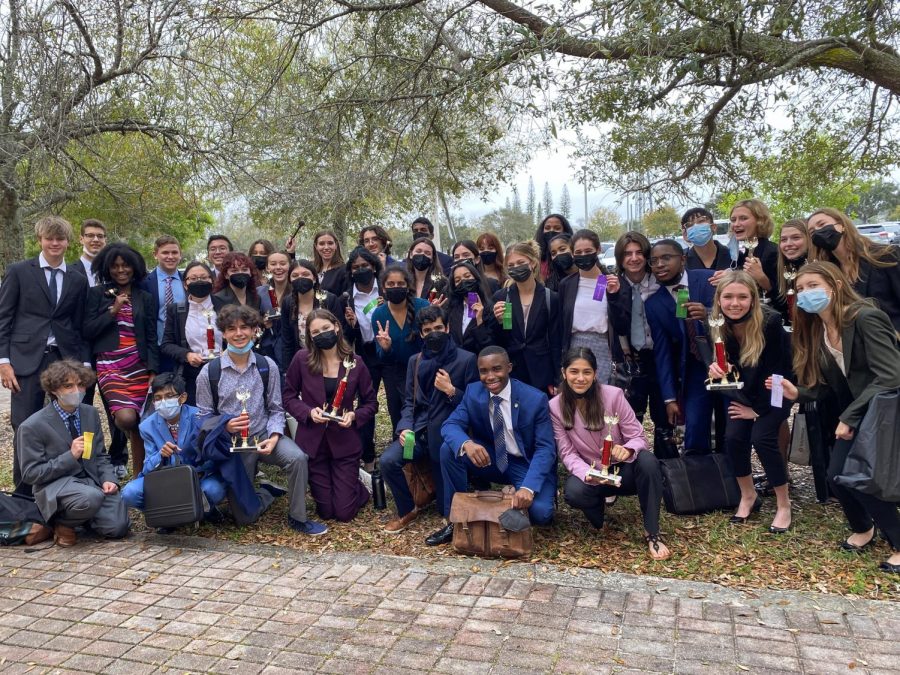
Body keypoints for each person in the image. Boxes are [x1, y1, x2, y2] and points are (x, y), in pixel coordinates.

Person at [766, 261, 900, 573]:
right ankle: (864, 528)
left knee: (863, 480)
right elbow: (829, 386)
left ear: (836, 285)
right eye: (800, 289)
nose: (805, 293)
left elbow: (891, 375)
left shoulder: (866, 317)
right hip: (858, 413)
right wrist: (798, 393)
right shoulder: (817, 328)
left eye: (813, 285)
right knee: (836, 476)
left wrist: (851, 417)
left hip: (884, 412)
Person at [196, 304, 327, 535]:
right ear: (223, 333)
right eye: (231, 328)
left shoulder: (267, 366)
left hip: (264, 434)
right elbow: (203, 416)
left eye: (244, 327)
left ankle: (298, 517)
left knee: (297, 458)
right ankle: (266, 493)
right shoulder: (210, 372)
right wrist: (224, 424)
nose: (239, 333)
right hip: (233, 446)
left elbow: (277, 408)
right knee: (244, 518)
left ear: (255, 330)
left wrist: (276, 436)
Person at [428, 346, 557, 545]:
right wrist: (467, 443)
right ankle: (456, 518)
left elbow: (545, 449)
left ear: (509, 368)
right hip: (495, 459)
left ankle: (516, 492)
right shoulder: (473, 392)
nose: (490, 376)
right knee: (449, 449)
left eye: (497, 369)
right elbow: (450, 425)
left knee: (541, 514)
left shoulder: (534, 399)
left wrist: (528, 488)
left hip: (525, 463)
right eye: (484, 371)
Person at [550, 348, 670, 560]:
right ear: (564, 373)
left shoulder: (613, 395)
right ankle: (599, 517)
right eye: (574, 371)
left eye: (586, 372)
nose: (580, 378)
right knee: (573, 491)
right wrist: (586, 472)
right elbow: (566, 452)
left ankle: (652, 532)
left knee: (649, 462)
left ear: (595, 373)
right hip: (593, 472)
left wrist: (627, 449)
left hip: (624, 469)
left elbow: (639, 436)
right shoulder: (555, 407)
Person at [0, 216, 90, 488]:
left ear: (67, 242)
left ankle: (75, 483)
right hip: (25, 361)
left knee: (72, 424)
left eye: (60, 238)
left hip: (64, 361)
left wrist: (83, 366)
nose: (55, 243)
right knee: (24, 424)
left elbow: (80, 325)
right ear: (40, 240)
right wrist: (4, 361)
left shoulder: (77, 278)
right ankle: (25, 492)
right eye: (49, 238)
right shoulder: (19, 271)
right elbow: (4, 317)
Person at [380, 306, 478, 532]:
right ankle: (408, 509)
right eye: (428, 330)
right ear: (421, 334)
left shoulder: (466, 360)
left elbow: (474, 406)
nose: (434, 333)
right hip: (419, 433)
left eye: (438, 328)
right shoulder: (416, 361)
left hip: (447, 436)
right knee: (388, 461)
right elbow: (408, 402)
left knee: (446, 507)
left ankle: (447, 507)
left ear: (447, 328)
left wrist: (451, 390)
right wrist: (404, 427)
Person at [707, 271, 792, 532]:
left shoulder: (771, 323)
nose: (735, 303)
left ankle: (783, 504)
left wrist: (757, 410)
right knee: (732, 438)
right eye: (728, 296)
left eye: (742, 297)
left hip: (776, 392)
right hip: (745, 395)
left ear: (753, 299)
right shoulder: (717, 324)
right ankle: (748, 495)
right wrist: (716, 370)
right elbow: (727, 370)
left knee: (763, 437)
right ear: (719, 299)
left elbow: (780, 373)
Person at [15, 360, 129, 546]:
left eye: (81, 385)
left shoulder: (90, 413)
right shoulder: (32, 426)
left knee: (118, 527)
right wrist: (70, 456)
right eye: (68, 386)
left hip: (90, 482)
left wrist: (109, 478)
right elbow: (30, 474)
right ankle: (62, 523)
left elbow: (99, 455)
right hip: (55, 485)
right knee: (91, 498)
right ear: (53, 389)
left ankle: (82, 519)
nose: (76, 391)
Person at [283, 309, 376, 521]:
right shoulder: (301, 359)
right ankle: (345, 485)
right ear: (310, 336)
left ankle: (359, 487)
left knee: (344, 514)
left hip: (344, 443)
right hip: (314, 444)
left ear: (336, 326)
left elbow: (370, 403)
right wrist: (307, 412)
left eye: (325, 328)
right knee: (326, 512)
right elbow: (288, 396)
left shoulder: (356, 363)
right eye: (315, 332)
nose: (321, 334)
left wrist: (354, 416)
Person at [83, 243, 158, 475]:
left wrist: (153, 370)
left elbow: (152, 336)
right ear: (107, 268)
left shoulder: (144, 296)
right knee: (127, 418)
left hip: (139, 366)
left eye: (125, 265)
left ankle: (141, 474)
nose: (121, 270)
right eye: (115, 266)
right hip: (110, 367)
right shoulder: (97, 294)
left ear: (134, 267)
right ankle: (126, 462)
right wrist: (113, 310)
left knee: (141, 421)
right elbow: (87, 330)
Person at [121, 373, 227, 524]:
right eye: (158, 398)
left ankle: (205, 511)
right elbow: (147, 468)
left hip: (198, 477)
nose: (163, 401)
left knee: (212, 490)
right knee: (129, 493)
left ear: (182, 398)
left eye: (169, 396)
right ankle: (164, 515)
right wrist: (160, 455)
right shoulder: (147, 426)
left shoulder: (199, 417)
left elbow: (212, 458)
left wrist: (195, 465)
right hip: (166, 480)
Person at [644, 239, 716, 453]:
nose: (659, 265)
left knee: (731, 429)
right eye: (654, 261)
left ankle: (733, 480)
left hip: (728, 363)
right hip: (694, 370)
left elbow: (740, 309)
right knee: (694, 428)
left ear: (683, 259)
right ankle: (700, 479)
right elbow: (662, 352)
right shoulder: (654, 304)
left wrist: (709, 314)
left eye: (666, 258)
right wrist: (669, 397)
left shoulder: (709, 279)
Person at [605, 231, 673, 453]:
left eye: (638, 253)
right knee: (630, 416)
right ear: (619, 258)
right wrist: (613, 297)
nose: (633, 258)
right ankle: (633, 463)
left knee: (664, 415)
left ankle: (666, 467)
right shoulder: (612, 284)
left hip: (659, 356)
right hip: (627, 358)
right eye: (627, 254)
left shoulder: (660, 281)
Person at [807, 207, 900, 332]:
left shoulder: (886, 255)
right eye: (812, 232)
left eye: (822, 224)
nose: (818, 231)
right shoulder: (829, 270)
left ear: (842, 226)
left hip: (891, 340)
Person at [489, 242, 560, 395]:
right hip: (512, 370)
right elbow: (498, 340)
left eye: (521, 263)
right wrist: (499, 321)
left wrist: (557, 378)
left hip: (541, 372)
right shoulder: (502, 297)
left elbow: (555, 341)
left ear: (533, 263)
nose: (516, 268)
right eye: (511, 265)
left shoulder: (550, 298)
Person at [371, 266, 430, 432]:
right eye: (390, 284)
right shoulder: (379, 314)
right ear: (383, 288)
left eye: (400, 283)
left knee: (423, 412)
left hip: (423, 369)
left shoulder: (423, 306)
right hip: (394, 372)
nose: (395, 287)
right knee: (398, 414)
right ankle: (403, 450)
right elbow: (382, 356)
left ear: (407, 286)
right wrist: (386, 348)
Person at [343, 247, 384, 471]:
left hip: (389, 353)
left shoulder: (386, 288)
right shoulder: (347, 297)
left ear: (374, 267)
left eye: (365, 266)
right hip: (365, 354)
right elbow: (347, 335)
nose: (361, 270)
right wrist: (352, 326)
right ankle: (368, 456)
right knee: (367, 404)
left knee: (398, 404)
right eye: (356, 267)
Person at [161, 261, 222, 405]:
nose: (199, 281)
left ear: (212, 281)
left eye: (203, 277)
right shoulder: (176, 310)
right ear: (185, 284)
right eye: (193, 279)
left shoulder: (225, 305)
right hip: (193, 374)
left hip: (224, 370)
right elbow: (166, 344)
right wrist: (187, 355)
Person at [558, 229, 613, 384]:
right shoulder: (567, 284)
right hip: (574, 347)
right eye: (578, 252)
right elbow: (562, 323)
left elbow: (620, 320)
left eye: (588, 251)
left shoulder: (607, 282)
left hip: (603, 348)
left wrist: (614, 296)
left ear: (598, 250)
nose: (583, 255)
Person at [281, 259, 344, 368]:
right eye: (295, 275)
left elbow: (341, 332)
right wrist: (288, 368)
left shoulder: (329, 299)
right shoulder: (287, 303)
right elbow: (287, 340)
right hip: (302, 360)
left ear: (314, 278)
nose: (300, 278)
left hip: (329, 358)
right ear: (290, 280)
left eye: (305, 274)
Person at [722, 199, 780, 308]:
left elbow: (785, 300)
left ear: (760, 221)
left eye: (743, 218)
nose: (736, 224)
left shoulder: (773, 252)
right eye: (733, 220)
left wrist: (762, 279)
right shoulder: (740, 255)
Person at [141, 235, 184, 374]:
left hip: (184, 348)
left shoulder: (188, 281)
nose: (170, 256)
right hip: (157, 348)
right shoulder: (145, 283)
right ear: (155, 254)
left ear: (180, 254)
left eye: (174, 252)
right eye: (165, 252)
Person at [445, 261, 495, 355]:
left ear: (476, 278)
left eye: (467, 276)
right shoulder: (450, 308)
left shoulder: (490, 308)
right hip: (455, 364)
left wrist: (479, 321)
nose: (463, 281)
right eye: (457, 280)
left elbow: (490, 347)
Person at [776, 219, 810, 327]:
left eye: (796, 238)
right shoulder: (784, 269)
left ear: (809, 239)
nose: (788, 244)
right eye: (783, 239)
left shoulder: (819, 269)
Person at [406, 237, 447, 301]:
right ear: (411, 254)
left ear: (432, 258)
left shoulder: (442, 283)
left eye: (427, 253)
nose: (422, 255)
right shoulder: (403, 280)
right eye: (418, 251)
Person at [535, 213, 574, 280]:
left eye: (557, 228)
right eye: (547, 228)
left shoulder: (578, 262)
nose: (551, 230)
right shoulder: (535, 258)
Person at [71, 218, 107, 287]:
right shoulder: (70, 272)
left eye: (100, 236)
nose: (96, 240)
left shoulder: (112, 270)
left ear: (105, 240)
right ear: (81, 239)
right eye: (90, 235)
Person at [313, 230, 348, 295]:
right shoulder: (312, 269)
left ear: (336, 245)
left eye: (330, 243)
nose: (326, 247)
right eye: (321, 244)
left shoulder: (344, 271)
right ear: (316, 247)